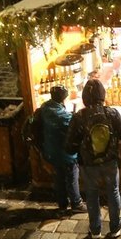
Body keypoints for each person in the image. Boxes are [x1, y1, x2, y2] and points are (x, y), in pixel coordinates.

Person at [65, 78, 121, 239]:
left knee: (92, 194)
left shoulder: (79, 116)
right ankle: (115, 227)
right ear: (103, 95)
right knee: (113, 191)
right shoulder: (111, 113)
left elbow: (70, 146)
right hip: (110, 161)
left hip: (88, 163)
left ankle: (95, 229)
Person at [35, 85, 84, 215]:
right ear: (63, 99)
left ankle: (62, 204)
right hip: (65, 153)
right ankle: (76, 203)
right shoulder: (63, 116)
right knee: (72, 176)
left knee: (59, 178)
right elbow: (74, 125)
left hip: (51, 151)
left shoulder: (45, 107)